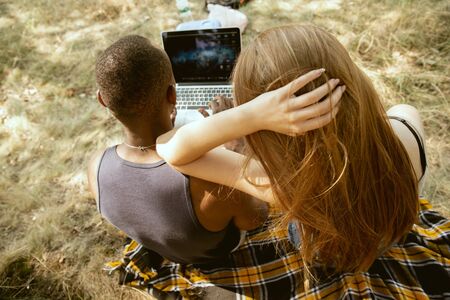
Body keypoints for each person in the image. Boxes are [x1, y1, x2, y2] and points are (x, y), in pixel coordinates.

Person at [156, 24, 450, 297]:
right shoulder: (407, 130)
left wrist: (249, 115)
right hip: (389, 235)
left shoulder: (281, 184)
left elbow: (169, 147)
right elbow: (381, 124)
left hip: (322, 251)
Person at [87, 35, 339, 266]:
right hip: (220, 251)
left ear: (102, 100)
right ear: (173, 95)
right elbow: (256, 218)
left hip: (172, 252)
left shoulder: (95, 167)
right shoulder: (211, 179)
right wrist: (236, 148)